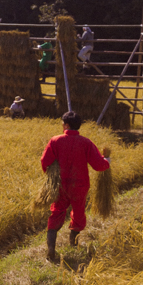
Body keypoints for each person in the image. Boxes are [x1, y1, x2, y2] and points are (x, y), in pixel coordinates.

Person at [40, 111, 110, 261]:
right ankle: (73, 243)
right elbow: (99, 165)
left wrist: (51, 176)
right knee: (78, 214)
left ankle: (51, 248)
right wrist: (107, 161)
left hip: (60, 185)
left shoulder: (55, 141)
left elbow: (45, 162)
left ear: (66, 125)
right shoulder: (86, 143)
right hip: (80, 185)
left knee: (56, 212)